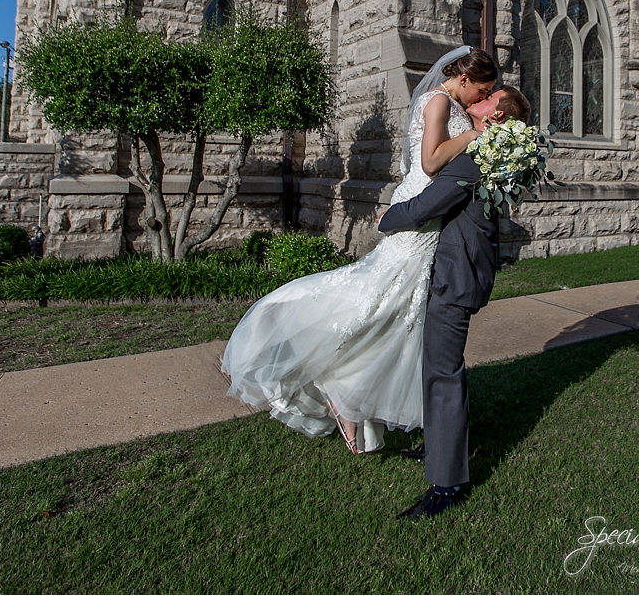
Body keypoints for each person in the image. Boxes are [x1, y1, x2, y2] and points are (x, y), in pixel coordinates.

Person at [222, 45, 497, 453]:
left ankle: (358, 396)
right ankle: (337, 382)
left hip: (432, 218)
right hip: (419, 215)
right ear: (463, 79)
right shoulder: (438, 101)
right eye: (482, 89)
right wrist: (473, 137)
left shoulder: (452, 102)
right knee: (377, 303)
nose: (482, 98)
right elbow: (431, 162)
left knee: (398, 314)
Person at [378, 85, 531, 519]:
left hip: (456, 274)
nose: (474, 102)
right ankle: (436, 440)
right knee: (435, 363)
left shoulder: (478, 157)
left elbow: (431, 202)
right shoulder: (493, 154)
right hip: (454, 267)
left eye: (486, 100)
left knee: (443, 371)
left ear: (496, 117)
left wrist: (386, 218)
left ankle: (447, 484)